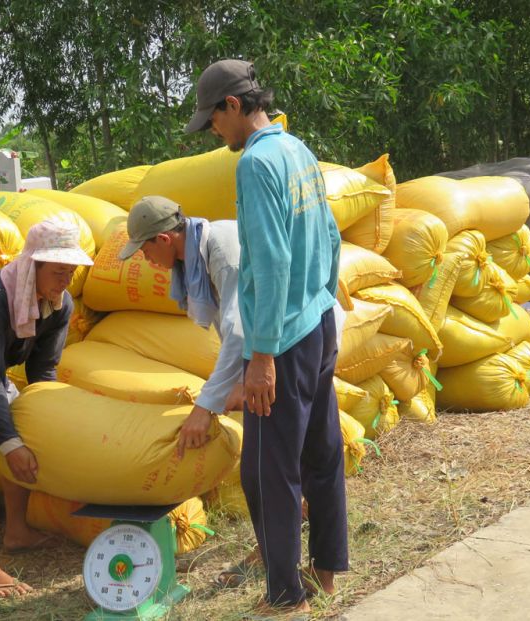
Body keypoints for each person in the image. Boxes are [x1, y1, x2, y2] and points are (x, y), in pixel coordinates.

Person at [185, 59, 347, 617]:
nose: (213, 132)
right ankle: (325, 572)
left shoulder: (255, 165)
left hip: (281, 338)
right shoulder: (297, 149)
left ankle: (286, 597)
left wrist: (262, 357)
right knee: (322, 454)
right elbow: (329, 233)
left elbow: (272, 263)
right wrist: (325, 300)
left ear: (233, 106)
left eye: (213, 120)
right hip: (317, 325)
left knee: (267, 470)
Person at [0, 219, 93, 597]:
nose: (66, 281)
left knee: (31, 436)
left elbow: (42, 370)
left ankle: (16, 531)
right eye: (59, 272)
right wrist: (9, 440)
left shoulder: (59, 303)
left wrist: (49, 419)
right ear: (33, 266)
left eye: (71, 273)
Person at [118, 195, 245, 455]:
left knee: (274, 451)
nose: (146, 259)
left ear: (164, 239)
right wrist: (233, 384)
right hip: (276, 343)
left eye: (145, 250)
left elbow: (240, 334)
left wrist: (205, 406)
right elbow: (232, 328)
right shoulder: (200, 254)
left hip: (297, 341)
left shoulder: (222, 254)